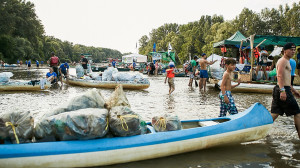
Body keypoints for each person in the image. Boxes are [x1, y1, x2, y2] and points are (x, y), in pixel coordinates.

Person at [271, 42, 300, 139]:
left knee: (275, 113)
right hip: (282, 89)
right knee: (297, 113)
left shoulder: (287, 61)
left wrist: (294, 91)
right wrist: (283, 91)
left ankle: (259, 130)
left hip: (282, 88)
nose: (293, 51)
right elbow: (279, 76)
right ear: (284, 50)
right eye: (291, 49)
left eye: (294, 50)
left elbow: (286, 79)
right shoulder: (283, 61)